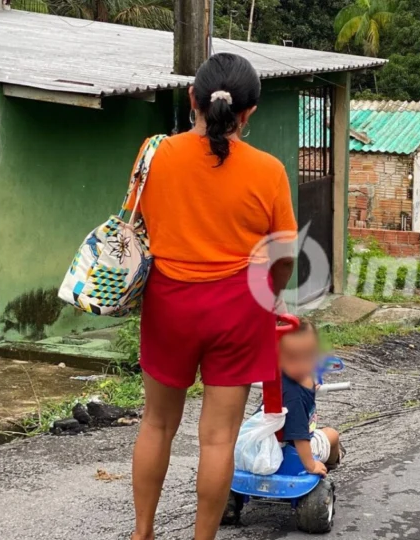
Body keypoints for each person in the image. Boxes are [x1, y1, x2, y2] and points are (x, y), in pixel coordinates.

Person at [129, 52, 297, 540]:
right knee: (218, 437)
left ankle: (143, 534)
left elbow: (136, 227)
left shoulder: (154, 154)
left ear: (191, 99)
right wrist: (274, 294)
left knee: (157, 425)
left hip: (168, 307)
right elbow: (282, 257)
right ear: (249, 114)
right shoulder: (268, 172)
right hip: (239, 311)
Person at [280, 321, 342, 476]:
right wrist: (311, 465)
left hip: (268, 442)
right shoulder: (295, 396)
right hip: (293, 449)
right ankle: (328, 464)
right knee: (332, 434)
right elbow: (299, 435)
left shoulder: (277, 377)